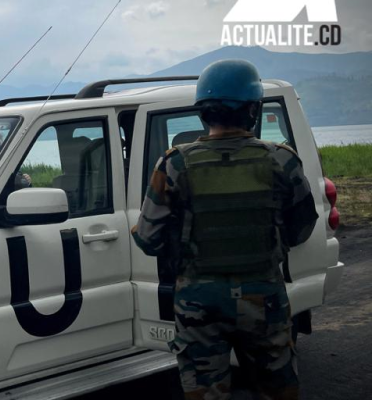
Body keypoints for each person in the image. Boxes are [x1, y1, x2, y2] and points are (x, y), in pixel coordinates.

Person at [131, 59, 318, 400]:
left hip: (199, 303)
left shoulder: (174, 163)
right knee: (276, 389)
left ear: (203, 112)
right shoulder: (281, 160)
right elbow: (301, 227)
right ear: (253, 111)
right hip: (264, 296)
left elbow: (147, 239)